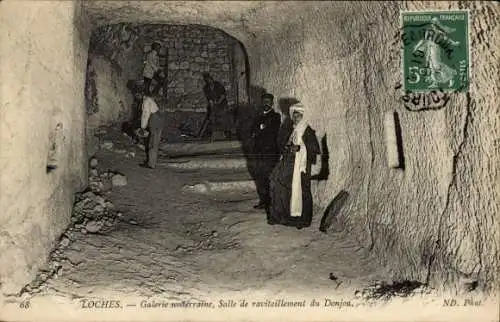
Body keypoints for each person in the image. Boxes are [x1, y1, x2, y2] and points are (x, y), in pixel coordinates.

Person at [267, 103, 320, 229]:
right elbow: (286, 145)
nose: (296, 118)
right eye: (294, 116)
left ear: (302, 117)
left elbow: (314, 149)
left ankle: (302, 220)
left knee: (302, 191)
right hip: (290, 164)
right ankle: (283, 216)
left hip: (301, 167)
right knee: (278, 183)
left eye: (298, 116)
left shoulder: (307, 130)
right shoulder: (293, 129)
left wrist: (300, 148)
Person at [249, 93, 281, 209]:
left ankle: (271, 202)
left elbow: (272, 131)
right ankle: (263, 201)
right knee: (260, 177)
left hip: (270, 153)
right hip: (259, 153)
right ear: (261, 103)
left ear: (272, 103)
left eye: (269, 102)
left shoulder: (276, 117)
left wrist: (260, 129)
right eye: (264, 101)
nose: (266, 104)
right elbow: (252, 132)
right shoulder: (257, 118)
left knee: (269, 177)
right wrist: (260, 128)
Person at [136, 92, 165, 169]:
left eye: (137, 94)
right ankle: (151, 161)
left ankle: (151, 164)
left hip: (155, 120)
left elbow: (145, 114)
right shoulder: (149, 100)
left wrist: (142, 127)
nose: (136, 96)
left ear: (140, 94)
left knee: (152, 143)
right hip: (158, 120)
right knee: (154, 142)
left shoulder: (146, 101)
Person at [201, 72, 232, 140]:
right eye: (206, 80)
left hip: (222, 104)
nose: (208, 81)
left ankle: (227, 133)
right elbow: (209, 99)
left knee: (224, 118)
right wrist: (212, 105)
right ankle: (211, 134)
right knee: (212, 118)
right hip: (214, 105)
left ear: (211, 79)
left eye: (209, 79)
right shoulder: (206, 88)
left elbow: (223, 95)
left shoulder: (218, 85)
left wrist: (218, 102)